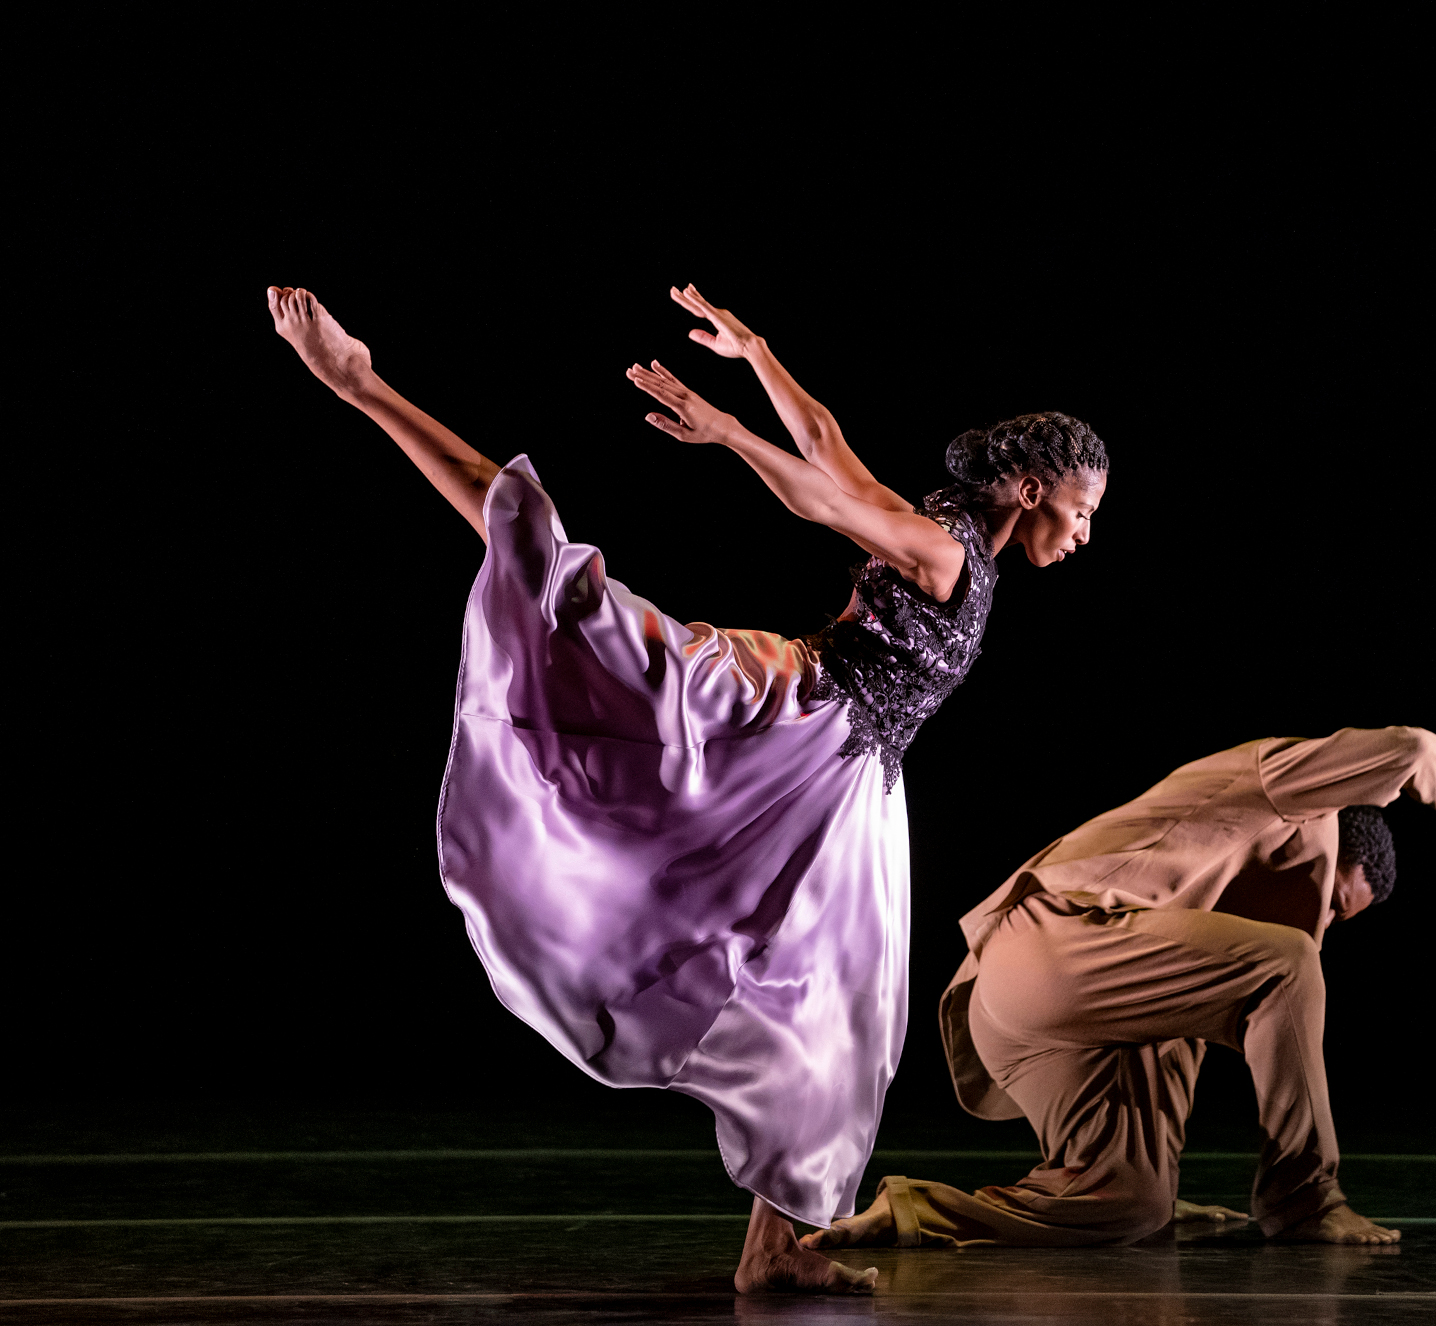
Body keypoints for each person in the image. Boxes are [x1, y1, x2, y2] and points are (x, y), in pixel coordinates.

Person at [265, 282, 1108, 1294]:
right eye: (1083, 509)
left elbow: (829, 440)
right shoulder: (942, 553)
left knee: (849, 1021)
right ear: (1030, 490)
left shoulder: (948, 538)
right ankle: (363, 385)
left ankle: (778, 1244)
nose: (1085, 531)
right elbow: (818, 493)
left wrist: (755, 349)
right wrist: (731, 434)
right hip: (779, 712)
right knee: (560, 582)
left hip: (849, 789)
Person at [802, 726, 1436, 1252]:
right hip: (1054, 942)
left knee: (1130, 1205)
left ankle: (911, 1213)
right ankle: (1306, 1200)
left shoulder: (1190, 942)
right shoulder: (1290, 788)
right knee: (1289, 964)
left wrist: (1161, 1181)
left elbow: (1178, 1050)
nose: (1323, 920)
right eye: (1331, 901)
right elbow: (1410, 749)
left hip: (1032, 1011)